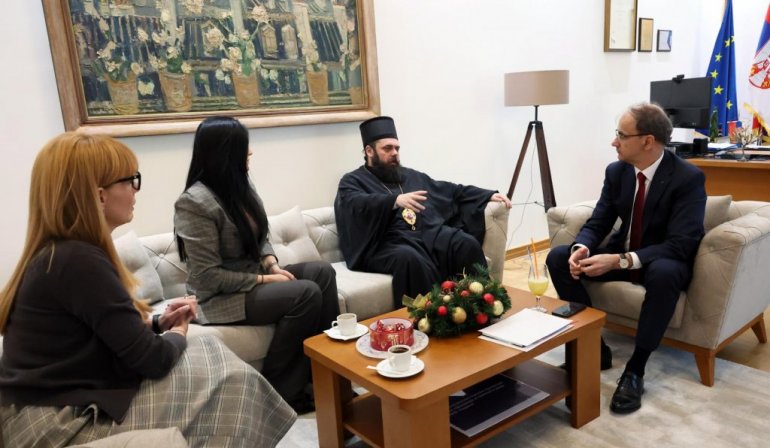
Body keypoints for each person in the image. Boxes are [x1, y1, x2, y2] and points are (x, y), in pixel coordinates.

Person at [0, 132, 296, 447]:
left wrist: (158, 323)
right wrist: (178, 331)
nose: (135, 190)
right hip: (57, 421)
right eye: (130, 181)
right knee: (230, 378)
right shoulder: (78, 260)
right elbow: (153, 358)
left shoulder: (65, 254)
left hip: (62, 401)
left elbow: (104, 331)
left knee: (212, 354)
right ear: (99, 196)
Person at [545, 103, 706, 414]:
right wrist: (582, 247)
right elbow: (599, 221)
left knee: (665, 273)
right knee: (558, 257)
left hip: (661, 260)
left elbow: (681, 244)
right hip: (621, 254)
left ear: (647, 141)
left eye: (621, 135)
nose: (613, 141)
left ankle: (635, 369)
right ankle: (595, 349)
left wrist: (620, 260)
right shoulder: (617, 172)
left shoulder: (687, 178)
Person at [174, 116, 339, 414]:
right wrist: (265, 280)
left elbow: (261, 235)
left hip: (254, 275)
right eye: (244, 148)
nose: (250, 153)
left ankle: (327, 377)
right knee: (305, 293)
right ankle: (280, 392)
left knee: (322, 272)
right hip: (219, 297)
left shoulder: (240, 185)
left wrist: (271, 265)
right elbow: (208, 277)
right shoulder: (194, 202)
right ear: (225, 154)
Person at [335, 116, 512, 307]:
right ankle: (429, 316)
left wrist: (486, 195)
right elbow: (355, 203)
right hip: (383, 243)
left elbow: (449, 190)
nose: (394, 153)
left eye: (397, 148)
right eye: (387, 148)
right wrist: (394, 201)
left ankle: (480, 306)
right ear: (369, 151)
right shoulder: (352, 181)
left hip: (424, 234)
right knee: (410, 259)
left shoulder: (408, 175)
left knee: (465, 243)